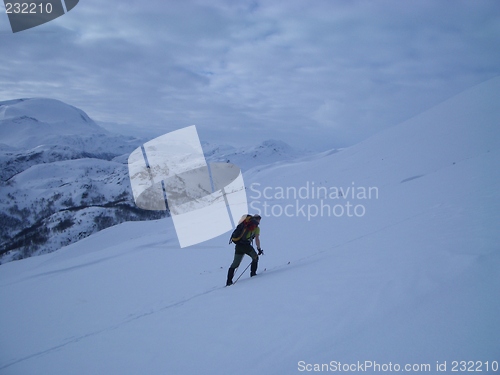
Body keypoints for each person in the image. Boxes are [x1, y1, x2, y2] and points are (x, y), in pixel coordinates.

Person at [226, 214, 263, 286]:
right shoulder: (256, 228)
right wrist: (259, 249)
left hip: (238, 245)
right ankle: (253, 274)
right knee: (255, 257)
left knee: (235, 264)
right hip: (246, 246)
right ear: (258, 220)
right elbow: (257, 239)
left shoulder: (245, 225)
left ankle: (229, 281)